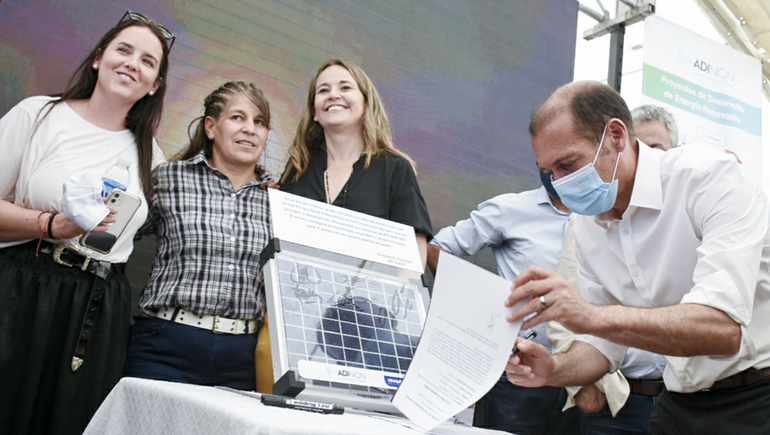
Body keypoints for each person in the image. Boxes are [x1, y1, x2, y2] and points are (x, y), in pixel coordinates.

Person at [504, 81, 770, 435]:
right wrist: (553, 369)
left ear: (615, 135)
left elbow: (722, 329)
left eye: (568, 164)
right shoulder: (586, 224)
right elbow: (602, 346)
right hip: (677, 402)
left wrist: (591, 316)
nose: (560, 184)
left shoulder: (708, 179)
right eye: (549, 172)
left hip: (756, 399)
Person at [0, 12, 172, 435]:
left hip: (96, 308)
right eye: (124, 50)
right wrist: (51, 225)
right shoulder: (38, 115)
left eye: (148, 61)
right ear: (99, 58)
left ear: (155, 85)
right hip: (23, 288)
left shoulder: (153, 157)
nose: (133, 63)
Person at [123, 82, 272, 390]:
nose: (250, 129)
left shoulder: (280, 201)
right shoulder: (168, 178)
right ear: (210, 126)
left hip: (242, 357)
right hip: (164, 345)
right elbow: (116, 237)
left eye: (259, 122)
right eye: (237, 118)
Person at [427, 173, 579, 435]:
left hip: (583, 375)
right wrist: (481, 316)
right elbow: (437, 248)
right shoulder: (510, 209)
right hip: (517, 375)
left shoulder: (605, 219)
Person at [280, 58, 432, 264]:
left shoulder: (394, 168)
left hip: (373, 295)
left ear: (366, 104)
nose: (334, 95)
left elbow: (413, 257)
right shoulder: (298, 167)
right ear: (314, 112)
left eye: (345, 87)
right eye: (323, 90)